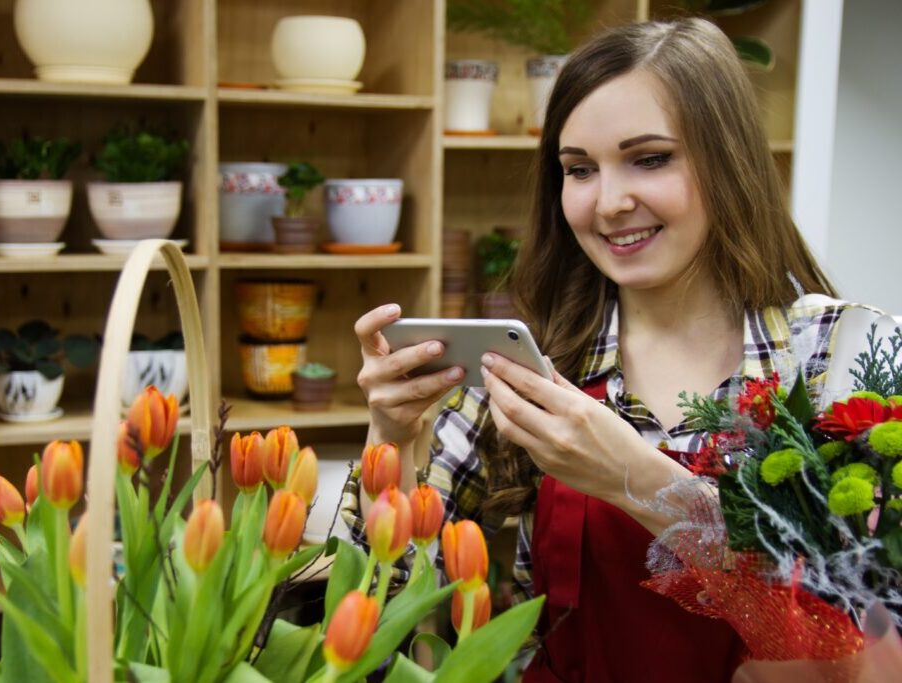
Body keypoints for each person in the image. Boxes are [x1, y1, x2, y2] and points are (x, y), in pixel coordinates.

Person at [343, 17, 866, 682]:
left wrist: (639, 480)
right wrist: (390, 433)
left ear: (726, 158)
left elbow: (853, 640)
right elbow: (374, 609)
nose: (610, 202)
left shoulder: (835, 361)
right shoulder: (538, 364)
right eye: (579, 170)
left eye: (649, 158)